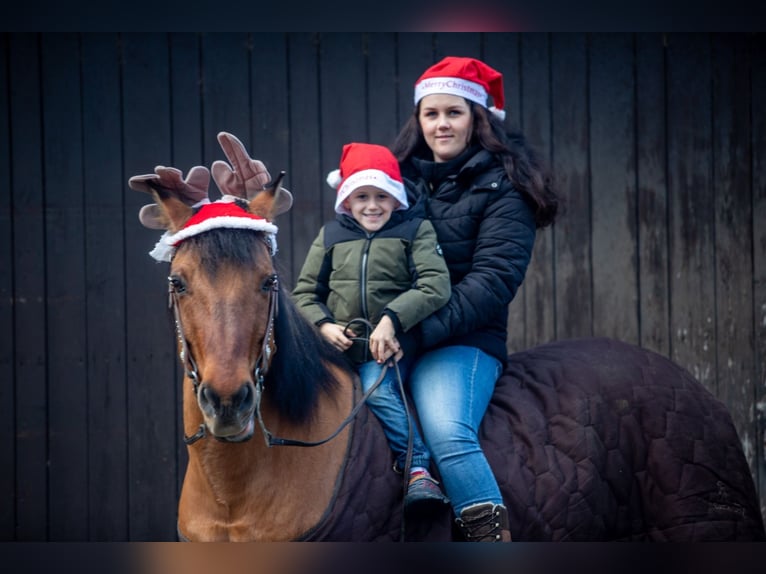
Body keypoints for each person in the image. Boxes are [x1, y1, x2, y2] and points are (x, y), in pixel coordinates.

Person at [388, 56, 559, 541]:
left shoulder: (505, 188)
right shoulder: (396, 184)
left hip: (464, 341)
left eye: (454, 112)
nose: (441, 124)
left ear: (477, 118)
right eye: (431, 113)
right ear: (418, 121)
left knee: (446, 430)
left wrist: (414, 328)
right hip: (391, 333)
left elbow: (493, 281)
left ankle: (490, 541)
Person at [291, 142, 452, 509]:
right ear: (346, 200)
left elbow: (435, 285)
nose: (372, 205)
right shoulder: (330, 236)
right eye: (361, 196)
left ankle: (417, 469)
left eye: (382, 195)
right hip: (339, 348)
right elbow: (303, 293)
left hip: (391, 348)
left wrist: (391, 320)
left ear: (396, 198)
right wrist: (324, 326)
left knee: (375, 389)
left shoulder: (415, 230)